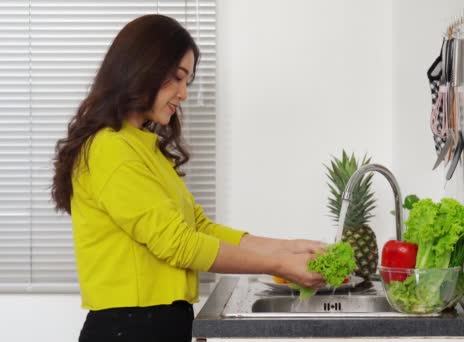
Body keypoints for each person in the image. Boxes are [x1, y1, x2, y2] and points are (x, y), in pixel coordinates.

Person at [51, 14, 326, 342]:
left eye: (188, 81)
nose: (183, 94)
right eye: (177, 78)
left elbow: (198, 228)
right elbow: (179, 244)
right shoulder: (111, 149)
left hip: (154, 324)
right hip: (131, 329)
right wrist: (277, 264)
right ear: (142, 68)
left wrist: (289, 248)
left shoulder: (143, 148)